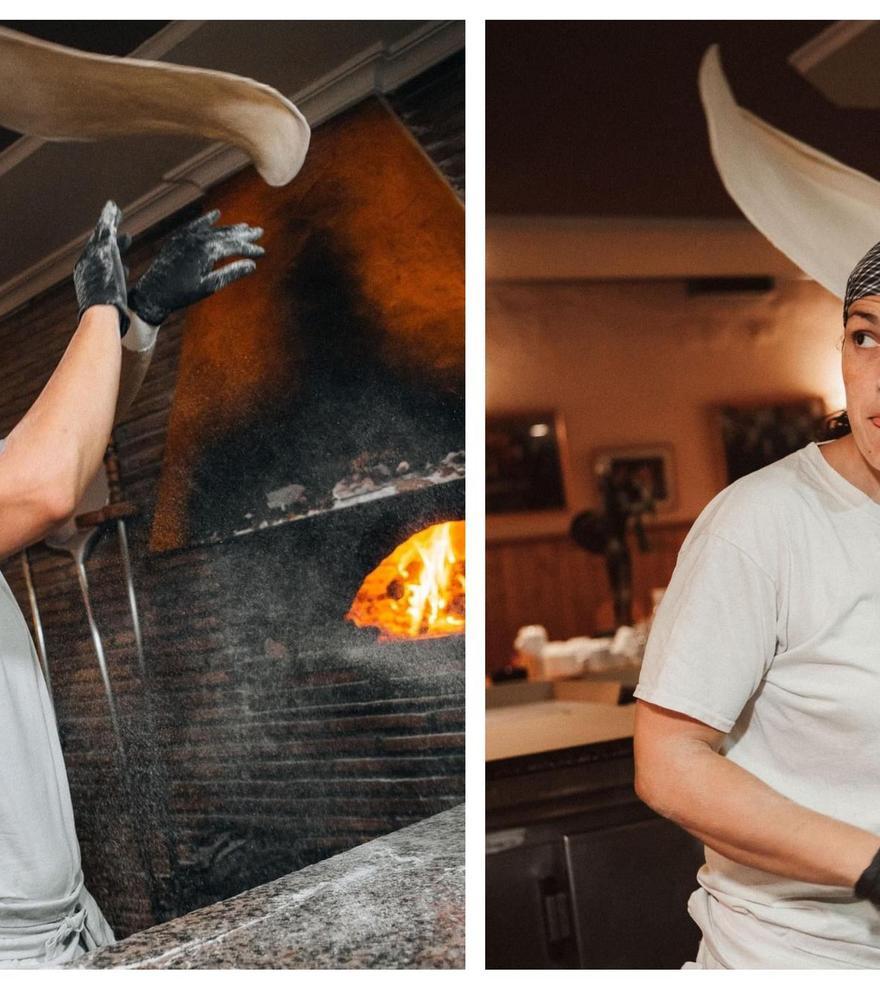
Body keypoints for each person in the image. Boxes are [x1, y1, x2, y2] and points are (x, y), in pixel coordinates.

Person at [0, 199, 264, 967]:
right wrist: (98, 312)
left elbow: (68, 457)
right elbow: (48, 482)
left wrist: (135, 322)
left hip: (58, 930)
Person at [633, 240, 880, 969]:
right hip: (798, 961)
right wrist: (871, 864)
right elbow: (670, 760)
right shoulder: (763, 523)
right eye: (866, 338)